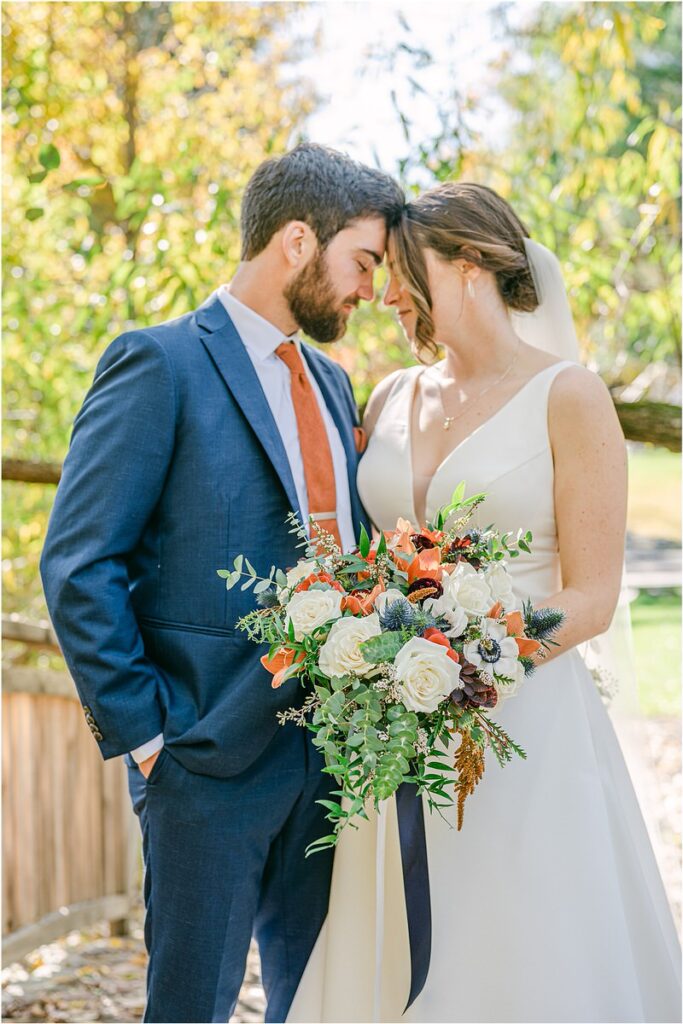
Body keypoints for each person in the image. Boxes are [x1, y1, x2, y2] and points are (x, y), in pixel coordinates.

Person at [287, 182, 681, 1023]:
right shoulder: (390, 396)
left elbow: (592, 597)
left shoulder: (568, 397)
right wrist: (375, 644)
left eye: (403, 272)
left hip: (523, 727)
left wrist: (471, 660)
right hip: (393, 730)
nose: (386, 294)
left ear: (467, 266)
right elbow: (373, 557)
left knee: (519, 948)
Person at [39, 143, 404, 1024]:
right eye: (362, 261)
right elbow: (79, 562)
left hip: (331, 755)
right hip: (201, 756)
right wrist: (148, 737)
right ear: (293, 241)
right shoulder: (158, 363)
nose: (367, 290)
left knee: (316, 1003)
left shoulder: (331, 380)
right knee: (191, 1008)